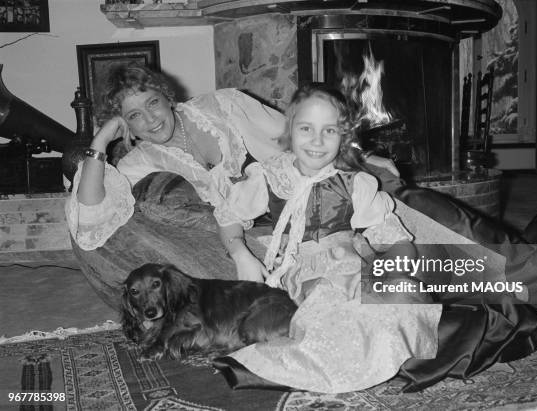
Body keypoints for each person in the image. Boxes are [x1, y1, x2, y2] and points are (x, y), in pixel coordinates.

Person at [65, 63, 399, 283]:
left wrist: (362, 155)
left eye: (152, 103)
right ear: (128, 125)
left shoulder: (224, 104)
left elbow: (296, 133)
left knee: (395, 200)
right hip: (240, 230)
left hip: (309, 192)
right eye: (135, 116)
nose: (151, 120)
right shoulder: (139, 162)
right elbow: (90, 208)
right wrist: (103, 137)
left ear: (167, 97)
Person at [214, 83, 442, 393]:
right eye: (306, 128)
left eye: (330, 131)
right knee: (331, 308)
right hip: (305, 273)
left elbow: (392, 236)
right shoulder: (270, 177)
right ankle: (355, 354)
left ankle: (387, 349)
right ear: (290, 129)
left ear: (343, 137)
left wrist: (395, 271)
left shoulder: (354, 182)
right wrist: (241, 254)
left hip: (354, 267)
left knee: (401, 300)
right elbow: (228, 218)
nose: (317, 141)